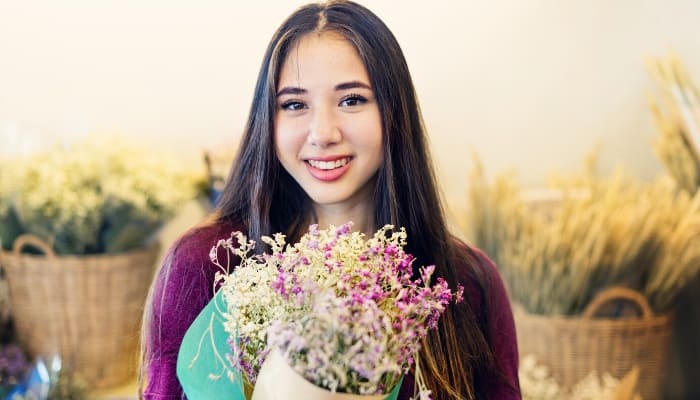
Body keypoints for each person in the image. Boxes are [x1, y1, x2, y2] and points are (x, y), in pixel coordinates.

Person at [140, 1, 521, 399]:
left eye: (352, 100)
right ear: (267, 121)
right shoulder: (203, 265)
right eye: (294, 104)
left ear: (395, 111)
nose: (322, 133)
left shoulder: (467, 282)